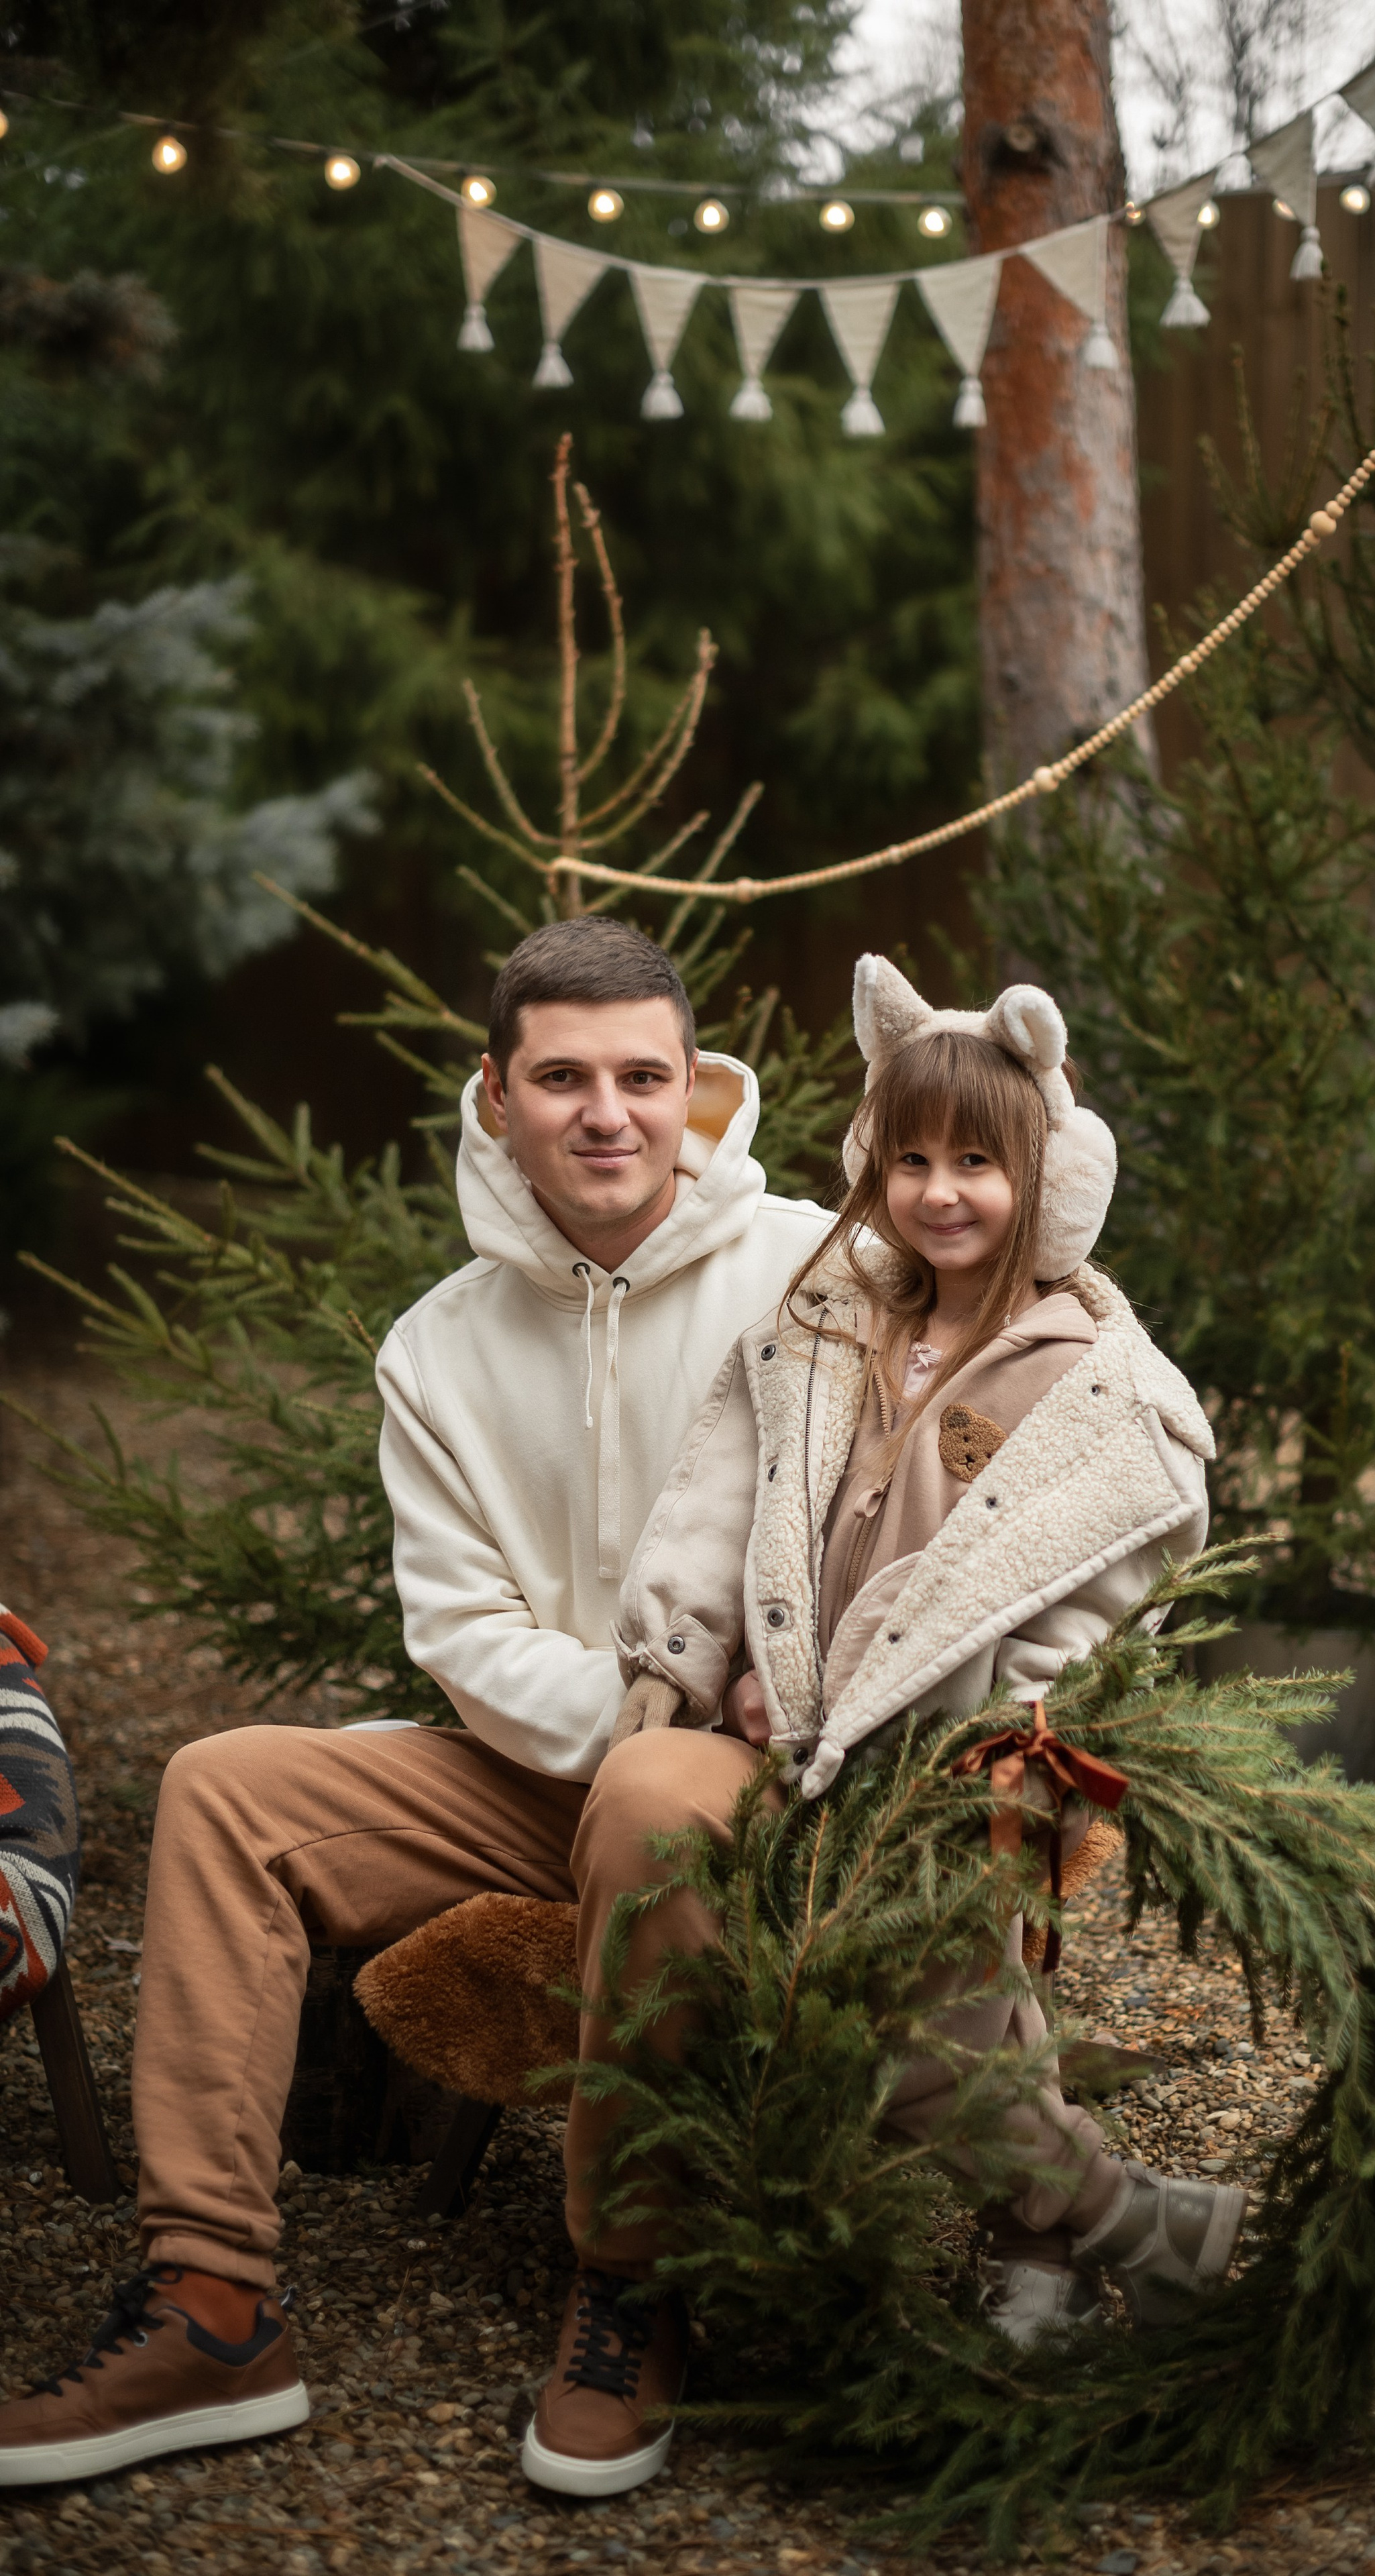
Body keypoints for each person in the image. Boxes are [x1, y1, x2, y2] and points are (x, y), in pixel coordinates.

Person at [0, 917, 831, 2498]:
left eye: (642, 1078)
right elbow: (465, 1633)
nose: (608, 1114)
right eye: (564, 1077)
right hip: (547, 1763)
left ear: (697, 1093)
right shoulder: (438, 1347)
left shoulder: (806, 1270)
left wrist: (746, 1712)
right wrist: (631, 1710)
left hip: (749, 1769)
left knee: (658, 1800)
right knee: (228, 1785)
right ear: (497, 1097)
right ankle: (213, 2300)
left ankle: (631, 2286)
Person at [612, 955, 1245, 2355]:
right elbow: (734, 1500)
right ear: (869, 1165)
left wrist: (1001, 1703)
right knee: (837, 1979)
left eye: (975, 1160)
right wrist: (703, 1649)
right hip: (784, 1725)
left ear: (1046, 1175)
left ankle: (1051, 2224)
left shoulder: (1077, 1368)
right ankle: (1123, 2220)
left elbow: (1098, 1562)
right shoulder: (836, 1322)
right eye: (907, 1159)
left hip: (952, 1749)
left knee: (930, 1996)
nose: (938, 1191)